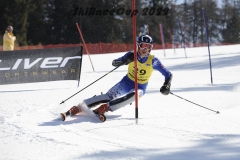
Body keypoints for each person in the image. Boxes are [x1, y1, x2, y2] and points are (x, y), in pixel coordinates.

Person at [61, 35, 173, 122]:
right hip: (126, 82)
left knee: (135, 95)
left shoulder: (153, 60)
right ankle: (78, 108)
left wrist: (166, 85)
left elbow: (168, 74)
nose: (145, 49)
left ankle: (105, 108)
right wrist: (125, 60)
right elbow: (114, 63)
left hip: (141, 86)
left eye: (148, 47)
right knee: (107, 96)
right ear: (138, 46)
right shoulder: (131, 55)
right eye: (143, 45)